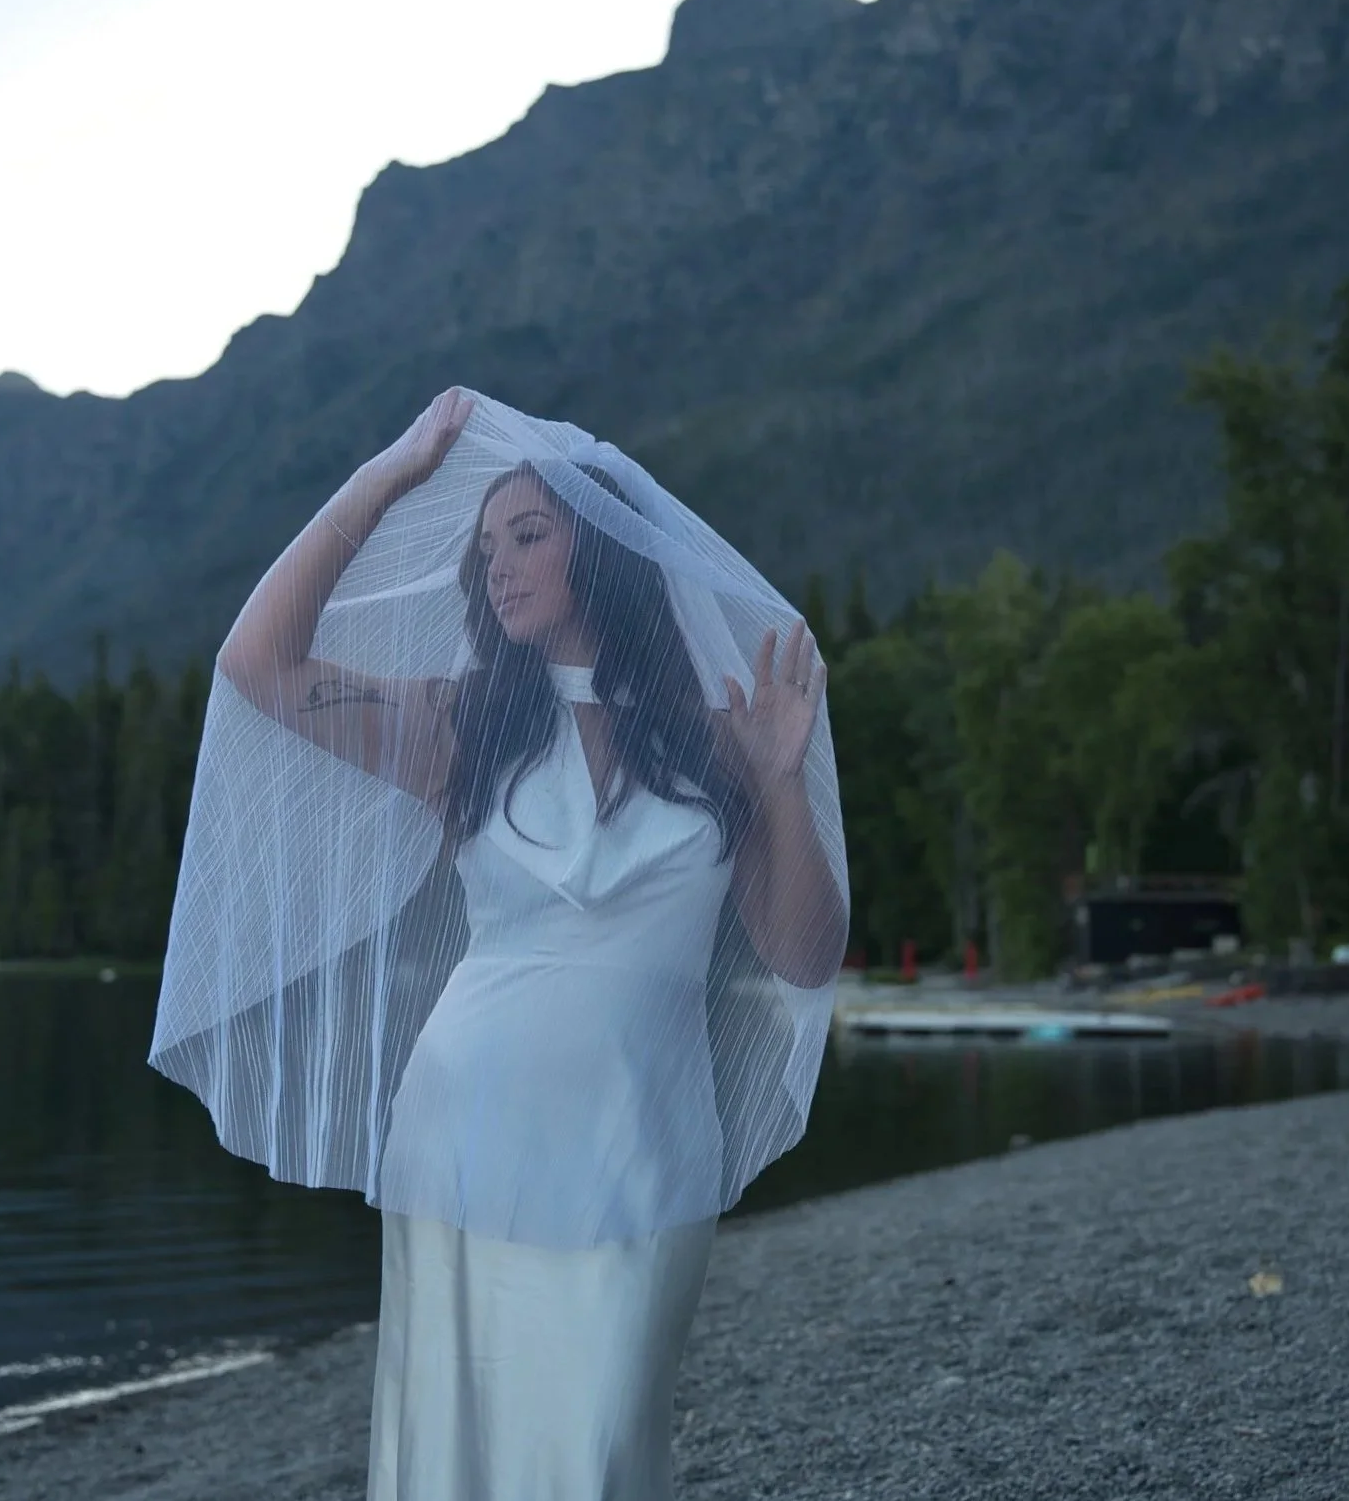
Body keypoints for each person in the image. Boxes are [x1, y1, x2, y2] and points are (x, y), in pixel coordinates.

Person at [151, 387, 848, 1500]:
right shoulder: (460, 724)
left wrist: (779, 785)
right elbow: (259, 666)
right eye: (485, 549)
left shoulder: (723, 736)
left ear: (608, 554)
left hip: (644, 1133)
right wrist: (389, 475)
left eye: (530, 536)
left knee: (605, 1446)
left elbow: (804, 957)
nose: (499, 567)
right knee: (460, 1450)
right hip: (465, 1127)